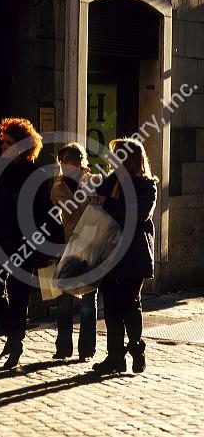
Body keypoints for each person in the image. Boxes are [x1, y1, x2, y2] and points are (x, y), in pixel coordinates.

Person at [0, 117, 62, 369]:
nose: (3, 147)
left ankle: (16, 343)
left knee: (18, 295)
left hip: (22, 245)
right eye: (2, 142)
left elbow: (44, 212)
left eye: (9, 143)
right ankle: (12, 332)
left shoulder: (35, 174)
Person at [92, 138, 158, 375]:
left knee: (131, 304)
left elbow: (137, 215)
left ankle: (136, 350)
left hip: (133, 255)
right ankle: (115, 357)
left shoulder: (146, 186)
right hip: (109, 253)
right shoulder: (112, 181)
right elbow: (93, 198)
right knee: (111, 307)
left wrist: (107, 203)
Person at [51, 142, 98, 362]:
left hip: (90, 247)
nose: (64, 165)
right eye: (62, 161)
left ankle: (87, 350)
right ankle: (63, 348)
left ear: (80, 161)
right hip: (67, 247)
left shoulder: (94, 181)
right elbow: (66, 216)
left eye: (68, 160)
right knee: (64, 301)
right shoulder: (58, 187)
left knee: (89, 301)